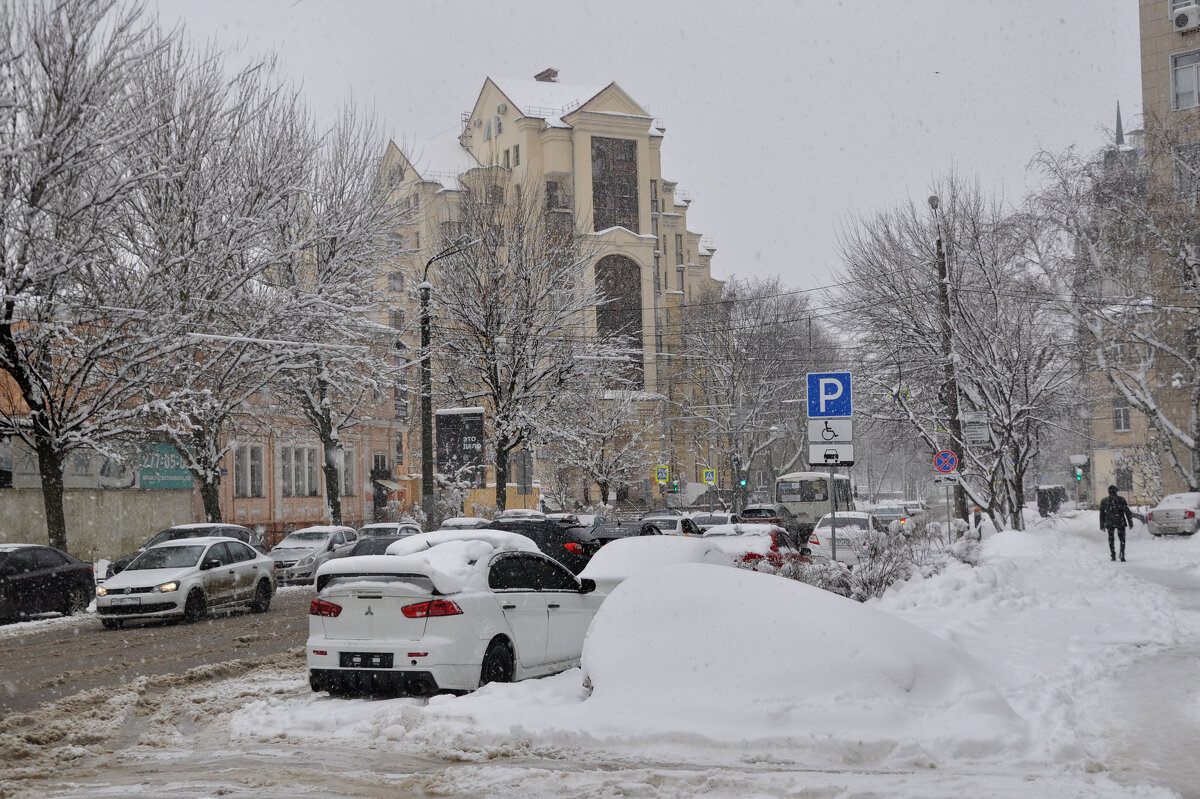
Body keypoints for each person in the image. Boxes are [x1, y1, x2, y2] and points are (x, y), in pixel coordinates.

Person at [1099, 484, 1134, 562]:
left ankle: (1113, 554)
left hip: (1109, 522)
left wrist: (1102, 525)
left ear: (1108, 492)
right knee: (1122, 538)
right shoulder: (1121, 499)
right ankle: (1122, 554)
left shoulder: (1104, 501)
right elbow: (1127, 512)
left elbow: (1102, 514)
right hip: (1120, 521)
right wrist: (1130, 523)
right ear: (1116, 491)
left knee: (1111, 539)